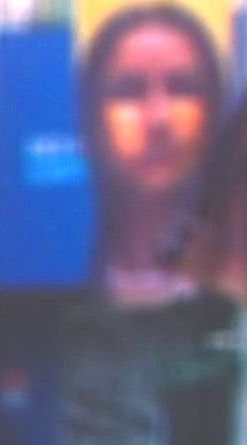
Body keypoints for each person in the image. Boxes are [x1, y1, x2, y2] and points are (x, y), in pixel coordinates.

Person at [79, 3, 224, 306]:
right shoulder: (47, 271)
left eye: (182, 88)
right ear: (92, 115)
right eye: (129, 91)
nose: (159, 119)